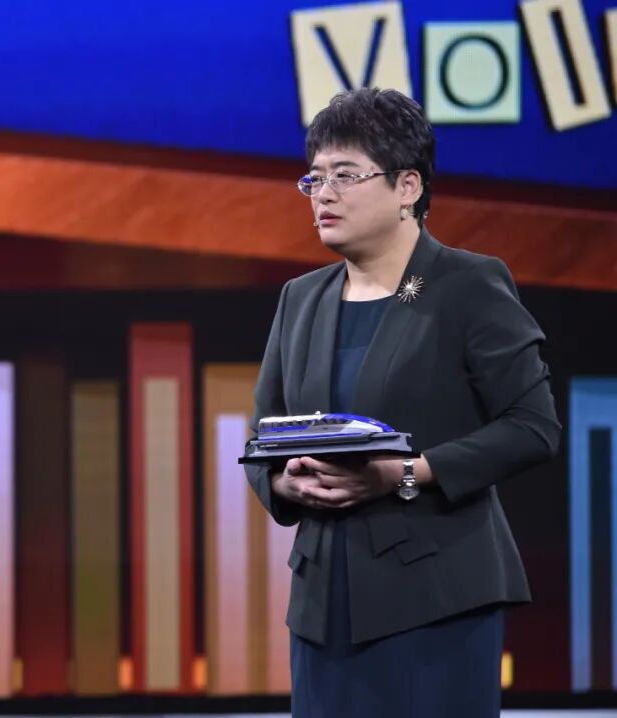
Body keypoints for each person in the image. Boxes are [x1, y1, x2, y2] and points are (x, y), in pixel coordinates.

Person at [245, 88, 560, 716]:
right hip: (323, 607)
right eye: (315, 178)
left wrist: (407, 475)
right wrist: (284, 483)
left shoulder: (466, 285)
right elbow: (262, 440)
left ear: (407, 186)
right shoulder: (301, 298)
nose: (324, 194)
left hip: (437, 599)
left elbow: (532, 426)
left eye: (345, 175)